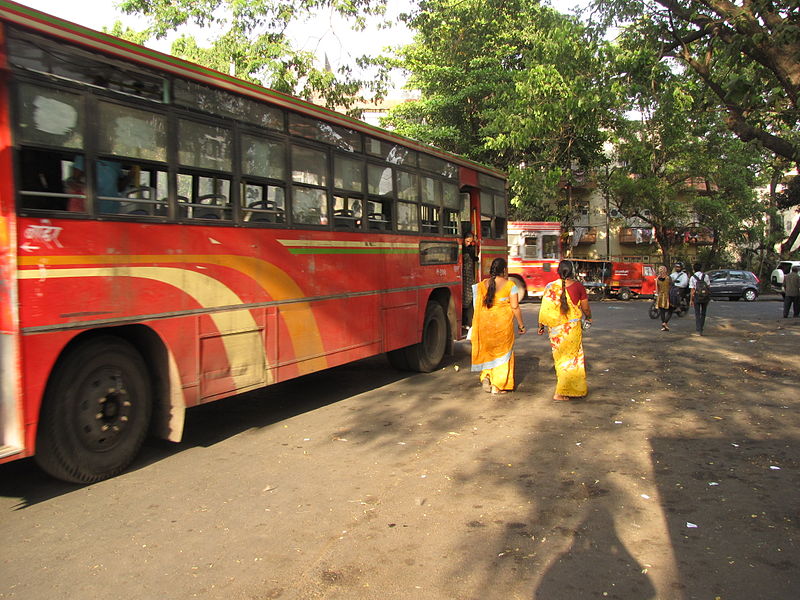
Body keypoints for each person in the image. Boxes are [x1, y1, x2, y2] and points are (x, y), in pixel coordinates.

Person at [538, 260, 592, 401]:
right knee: (572, 359)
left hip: (556, 331)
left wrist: (541, 326)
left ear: (558, 271)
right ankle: (562, 392)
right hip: (572, 330)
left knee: (560, 360)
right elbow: (585, 308)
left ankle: (569, 390)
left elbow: (545, 310)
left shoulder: (550, 287)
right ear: (572, 271)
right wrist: (589, 317)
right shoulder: (578, 287)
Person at [470, 257, 525, 395]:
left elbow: (477, 304)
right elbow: (515, 307)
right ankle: (497, 385)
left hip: (485, 325)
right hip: (502, 326)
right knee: (502, 355)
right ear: (505, 270)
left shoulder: (483, 284)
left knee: (488, 352)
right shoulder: (510, 285)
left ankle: (487, 375)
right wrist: (521, 324)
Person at [689, 262, 711, 335]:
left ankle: (698, 330)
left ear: (694, 269)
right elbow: (708, 286)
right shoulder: (706, 276)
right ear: (701, 268)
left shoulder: (692, 277)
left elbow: (692, 290)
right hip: (705, 297)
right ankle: (701, 328)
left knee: (697, 313)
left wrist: (691, 300)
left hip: (696, 297)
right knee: (703, 313)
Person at [462, 232, 478, 331]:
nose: (468, 243)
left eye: (470, 242)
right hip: (464, 277)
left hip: (469, 277)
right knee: (466, 300)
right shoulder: (463, 250)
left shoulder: (470, 249)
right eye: (467, 241)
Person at [655, 265, 675, 331]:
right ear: (665, 271)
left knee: (662, 311)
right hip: (667, 296)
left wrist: (657, 295)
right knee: (671, 310)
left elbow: (657, 289)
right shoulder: (668, 278)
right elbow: (672, 287)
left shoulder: (657, 279)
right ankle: (665, 323)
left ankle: (663, 324)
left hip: (660, 296)